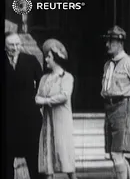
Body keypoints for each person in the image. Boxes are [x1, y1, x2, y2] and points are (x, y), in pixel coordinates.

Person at [101, 25, 130, 179]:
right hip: (110, 108)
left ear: (120, 43)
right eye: (107, 41)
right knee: (115, 154)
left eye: (111, 41)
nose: (107, 44)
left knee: (117, 153)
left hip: (124, 107)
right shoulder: (108, 65)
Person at [35, 39, 77, 179]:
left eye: (49, 57)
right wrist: (41, 100)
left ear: (56, 58)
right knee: (48, 157)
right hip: (47, 121)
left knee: (64, 153)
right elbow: (37, 96)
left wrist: (45, 100)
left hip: (61, 121)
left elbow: (64, 96)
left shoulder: (66, 77)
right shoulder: (44, 78)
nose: (46, 59)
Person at [5, 32, 43, 179]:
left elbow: (42, 83)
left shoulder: (31, 60)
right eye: (11, 45)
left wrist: (36, 102)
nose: (14, 48)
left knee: (34, 159)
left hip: (29, 119)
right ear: (5, 46)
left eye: (17, 44)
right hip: (8, 120)